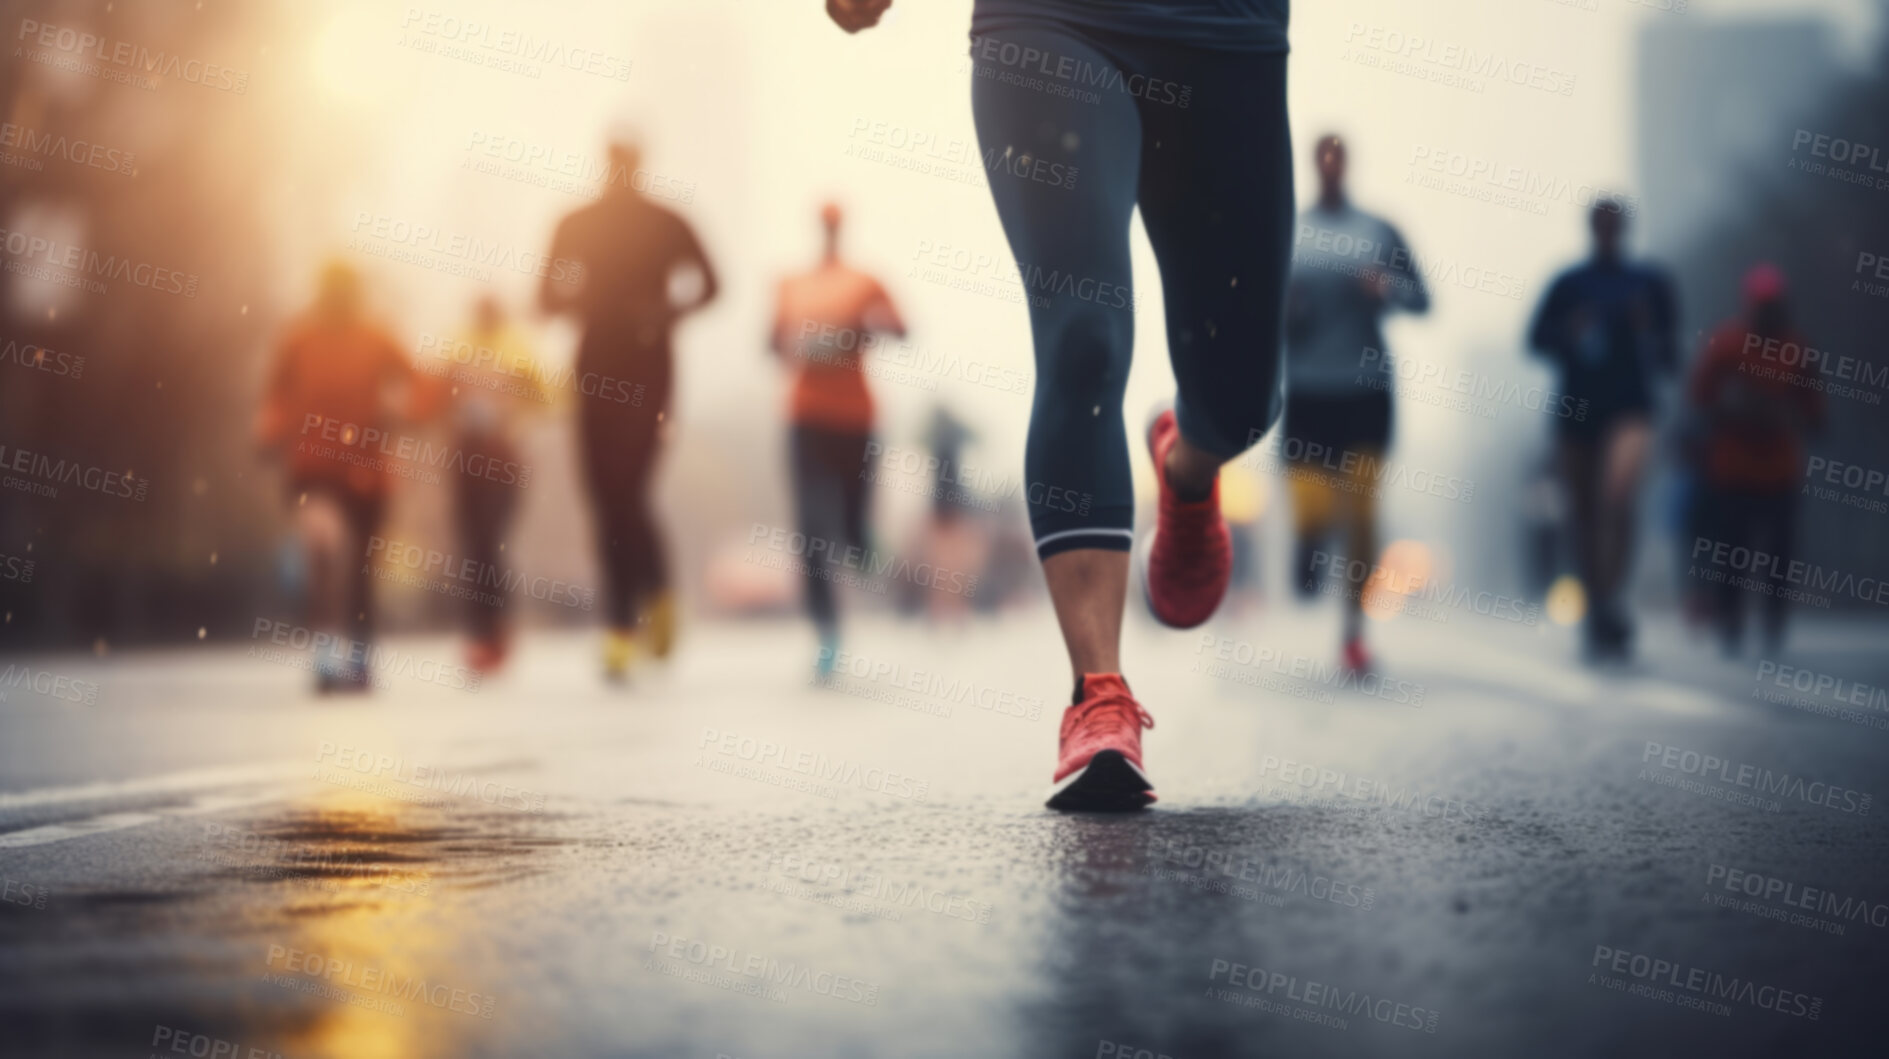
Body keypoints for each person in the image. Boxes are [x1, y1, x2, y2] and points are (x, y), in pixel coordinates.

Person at [827, 0, 1293, 810]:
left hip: (1225, 30)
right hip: (1051, 21)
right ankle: (1097, 693)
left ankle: (1187, 465)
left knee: (1244, 394)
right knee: (1083, 336)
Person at [542, 135, 718, 682]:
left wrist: (663, 312)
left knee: (629, 487)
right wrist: (583, 303)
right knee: (606, 494)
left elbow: (711, 285)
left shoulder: (665, 223)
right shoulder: (577, 224)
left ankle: (651, 602)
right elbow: (547, 295)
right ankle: (622, 623)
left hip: (647, 369)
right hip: (599, 365)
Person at [1281, 134, 1430, 673]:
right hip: (1306, 392)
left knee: (1363, 513)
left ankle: (1353, 632)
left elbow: (1422, 298)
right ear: (1313, 166)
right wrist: (1289, 308)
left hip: (1366, 389)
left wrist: (1385, 288)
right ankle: (1308, 544)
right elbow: (1256, 308)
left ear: (1348, 165)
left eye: (1338, 158)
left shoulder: (1379, 230)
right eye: (1321, 159)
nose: (1330, 168)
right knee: (1315, 510)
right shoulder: (1288, 229)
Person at [255, 261, 441, 692]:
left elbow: (421, 388)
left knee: (361, 566)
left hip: (368, 472)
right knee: (322, 546)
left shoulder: (377, 338)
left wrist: (406, 409)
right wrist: (268, 430)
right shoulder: (298, 338)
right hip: (314, 470)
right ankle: (323, 652)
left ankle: (359, 655)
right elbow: (276, 395)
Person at [1527, 199, 1678, 662]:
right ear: (1592, 228)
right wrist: (1570, 331)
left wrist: (1647, 329)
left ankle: (1610, 597)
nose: (1609, 231)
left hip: (1631, 409)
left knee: (1616, 498)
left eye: (1616, 224)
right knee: (1584, 514)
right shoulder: (1569, 285)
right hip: (1578, 413)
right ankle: (1598, 606)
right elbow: (1535, 340)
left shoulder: (1650, 283)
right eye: (1602, 224)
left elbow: (1672, 356)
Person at [768, 202, 907, 675]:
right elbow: (770, 342)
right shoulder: (789, 284)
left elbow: (901, 328)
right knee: (809, 527)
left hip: (858, 421)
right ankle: (825, 628)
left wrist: (866, 327)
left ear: (840, 227)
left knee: (850, 528)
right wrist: (800, 342)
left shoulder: (866, 282)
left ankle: (861, 540)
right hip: (805, 417)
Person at [1683, 264, 1822, 655]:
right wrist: (1730, 409)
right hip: (1732, 469)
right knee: (1732, 551)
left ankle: (1774, 622)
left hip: (1780, 470)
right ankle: (1730, 621)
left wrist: (1788, 415)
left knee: (1780, 553)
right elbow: (1699, 395)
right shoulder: (1726, 343)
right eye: (1763, 305)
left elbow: (1815, 412)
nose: (1768, 312)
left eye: (1774, 305)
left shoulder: (1798, 350)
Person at [437, 295, 548, 674]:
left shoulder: (515, 348)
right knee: (474, 544)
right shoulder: (458, 345)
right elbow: (437, 394)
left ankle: (494, 630)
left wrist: (508, 403)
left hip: (503, 457)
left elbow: (544, 398)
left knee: (489, 542)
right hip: (466, 458)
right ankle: (481, 632)